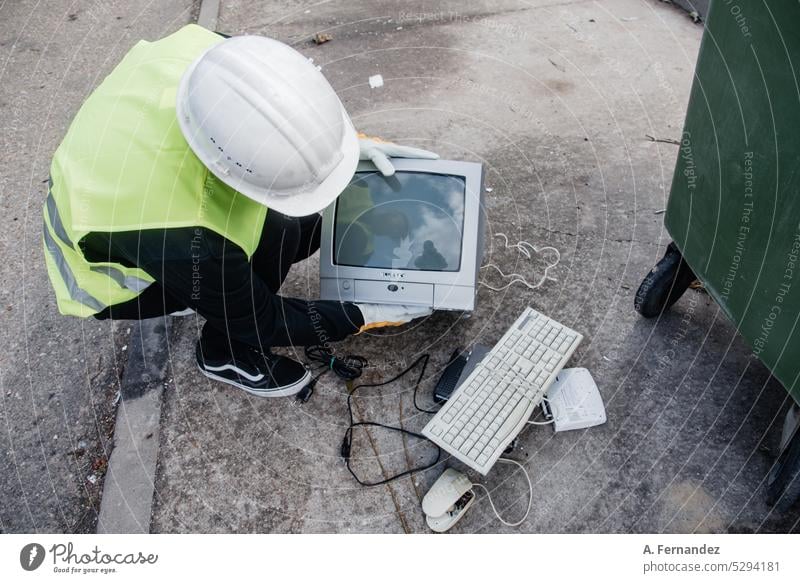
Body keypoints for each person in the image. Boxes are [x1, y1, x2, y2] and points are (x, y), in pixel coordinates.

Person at [42, 24, 435, 398]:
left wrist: (344, 149)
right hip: (107, 281)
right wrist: (363, 314)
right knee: (281, 233)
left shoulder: (222, 60)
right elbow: (262, 318)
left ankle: (210, 298)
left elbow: (277, 108)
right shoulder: (179, 232)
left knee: (286, 229)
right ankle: (223, 353)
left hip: (123, 193)